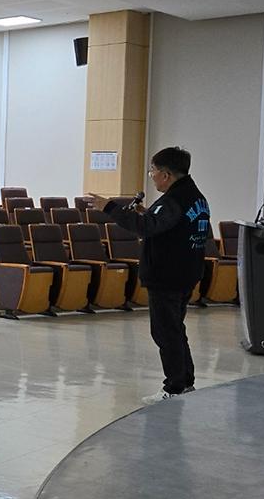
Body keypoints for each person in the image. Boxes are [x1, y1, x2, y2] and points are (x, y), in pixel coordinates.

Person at [90, 146, 210, 404]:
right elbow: (170, 226)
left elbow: (146, 228)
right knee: (175, 329)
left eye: (153, 171)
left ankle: (174, 387)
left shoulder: (173, 200)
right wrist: (148, 214)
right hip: (186, 272)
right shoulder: (195, 197)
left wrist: (109, 207)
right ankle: (185, 382)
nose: (151, 176)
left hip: (167, 275)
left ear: (166, 175)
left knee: (166, 332)